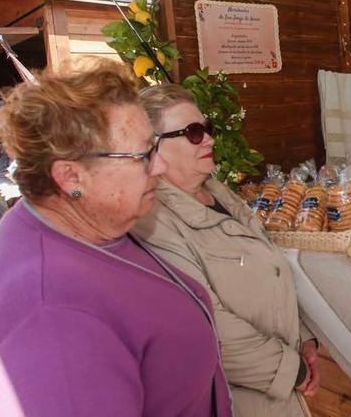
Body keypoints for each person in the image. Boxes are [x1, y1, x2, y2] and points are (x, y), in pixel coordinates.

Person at [0, 60, 234, 417]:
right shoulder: (52, 325)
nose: (159, 167)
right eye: (142, 155)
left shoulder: (88, 225)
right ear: (71, 176)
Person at [133, 84, 319, 417]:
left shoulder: (218, 192)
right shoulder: (154, 223)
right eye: (193, 132)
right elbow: (208, 326)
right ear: (154, 148)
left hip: (280, 394)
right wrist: (293, 370)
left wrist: (303, 339)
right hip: (235, 403)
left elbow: (267, 272)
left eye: (208, 129)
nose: (209, 139)